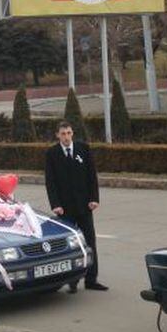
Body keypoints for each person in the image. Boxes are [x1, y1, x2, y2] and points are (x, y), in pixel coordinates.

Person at [45, 120, 108, 293]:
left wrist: (94, 198)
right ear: (57, 135)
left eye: (69, 133)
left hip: (84, 206)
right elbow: (50, 182)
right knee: (70, 246)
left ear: (72, 134)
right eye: (63, 134)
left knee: (90, 242)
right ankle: (72, 282)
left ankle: (91, 279)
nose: (66, 137)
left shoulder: (83, 149)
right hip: (64, 209)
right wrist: (55, 204)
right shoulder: (52, 153)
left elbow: (91, 176)